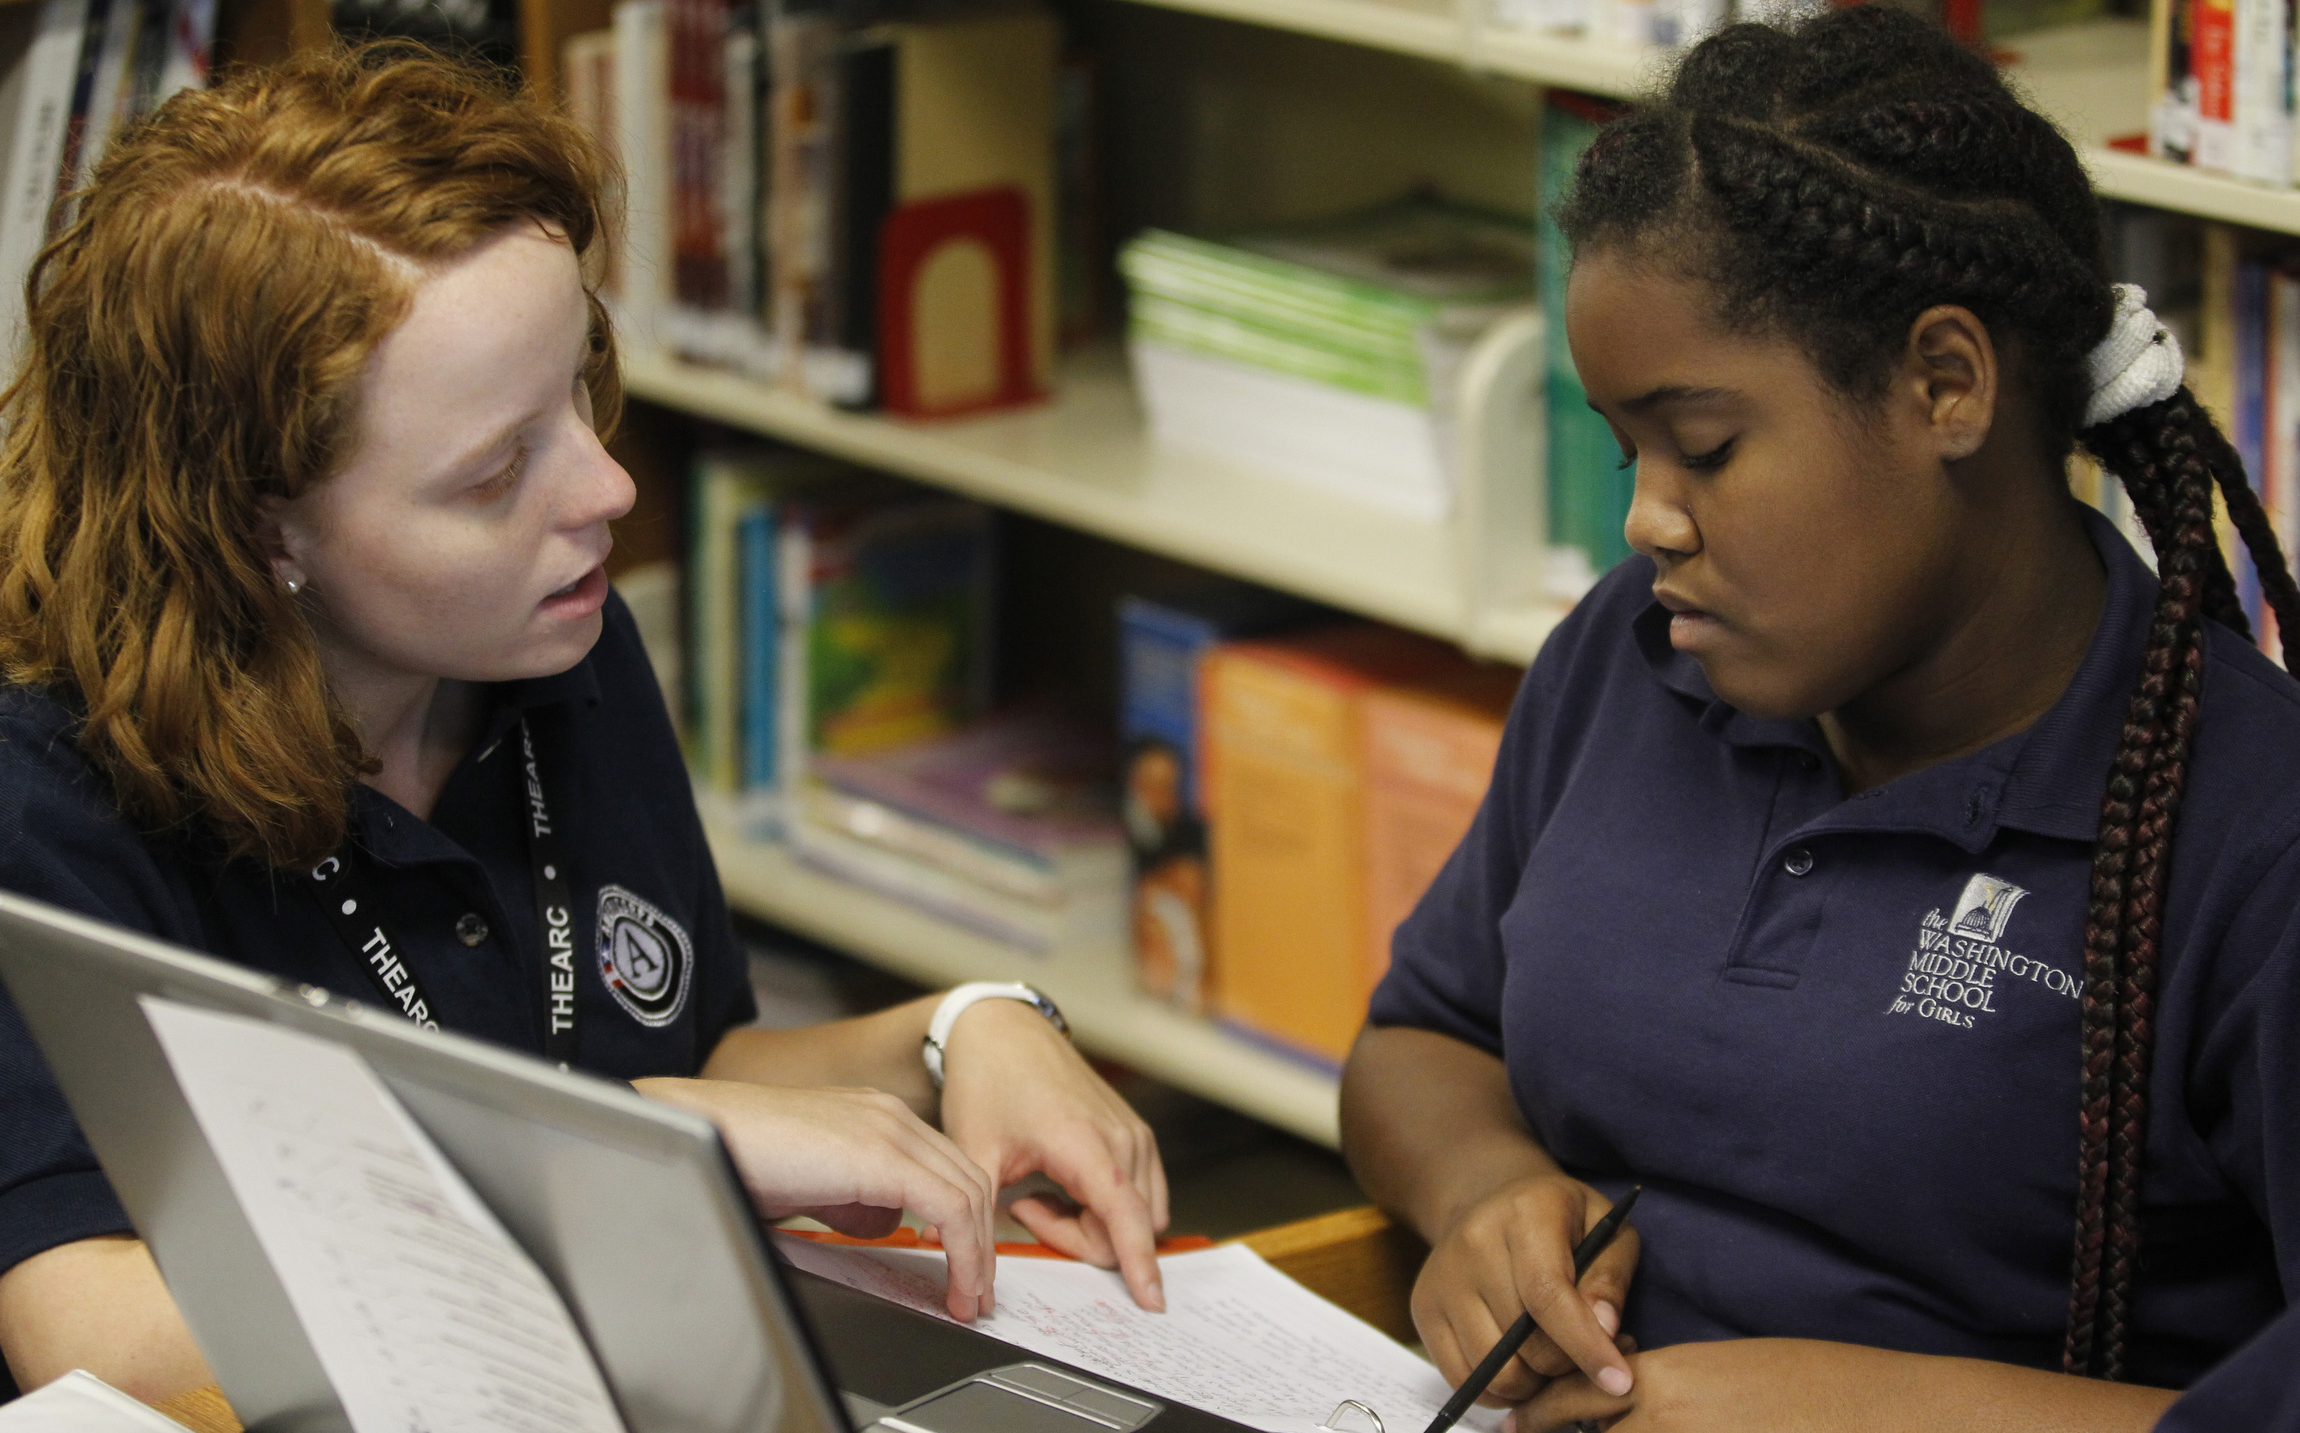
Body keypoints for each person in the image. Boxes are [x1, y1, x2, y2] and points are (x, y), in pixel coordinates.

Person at [0, 45, 1167, 1406]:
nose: (608, 485)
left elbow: (686, 1048)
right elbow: (100, 1337)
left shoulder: (552, 635)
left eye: (581, 388)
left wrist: (960, 1029)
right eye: (499, 468)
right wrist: (611, 1158)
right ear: (260, 528)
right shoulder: (49, 788)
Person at [1341, 9, 2300, 1431]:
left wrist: (1853, 1409)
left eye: (1707, 448)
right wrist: (1481, 1186)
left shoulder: (2244, 831)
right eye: (1629, 450)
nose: (1645, 518)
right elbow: (1418, 1038)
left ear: (1946, 384)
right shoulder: (1633, 653)